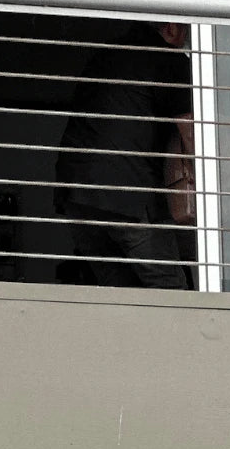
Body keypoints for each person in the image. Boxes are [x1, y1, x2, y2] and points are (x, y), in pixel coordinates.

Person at [54, 21, 193, 289]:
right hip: (126, 193)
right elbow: (192, 133)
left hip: (76, 194)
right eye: (185, 33)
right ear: (172, 28)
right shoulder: (167, 59)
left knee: (119, 293)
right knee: (170, 289)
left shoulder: (106, 56)